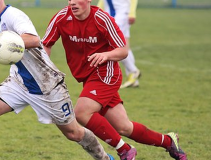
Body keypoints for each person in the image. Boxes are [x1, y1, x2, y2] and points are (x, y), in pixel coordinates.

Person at [42, 0, 188, 160]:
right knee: (124, 127)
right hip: (87, 78)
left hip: (106, 74)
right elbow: (46, 44)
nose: (72, 3)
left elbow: (123, 50)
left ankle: (125, 150)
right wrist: (45, 69)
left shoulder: (102, 19)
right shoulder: (62, 17)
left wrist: (106, 55)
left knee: (82, 113)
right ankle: (168, 141)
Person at [0, 0, 115, 160]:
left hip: (47, 86)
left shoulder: (13, 15)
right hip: (19, 82)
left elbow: (34, 40)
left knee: (74, 133)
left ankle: (104, 158)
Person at [97, 0, 141, 88]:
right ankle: (133, 79)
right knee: (125, 46)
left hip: (121, 15)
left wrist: (132, 13)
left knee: (114, 46)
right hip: (113, 15)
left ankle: (133, 70)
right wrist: (98, 10)